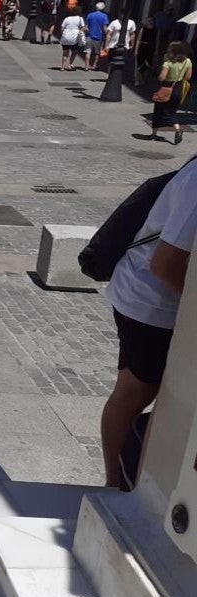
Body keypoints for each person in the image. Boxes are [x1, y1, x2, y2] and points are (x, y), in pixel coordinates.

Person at [102, 158, 197, 490]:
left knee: (162, 396)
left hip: (159, 301)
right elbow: (165, 264)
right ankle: (117, 485)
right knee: (134, 393)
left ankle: (136, 479)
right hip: (150, 302)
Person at [149, 42, 192, 145]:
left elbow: (162, 78)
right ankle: (177, 129)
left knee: (158, 111)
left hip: (166, 88)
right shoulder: (188, 61)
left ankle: (154, 133)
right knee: (171, 112)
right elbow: (188, 77)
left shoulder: (168, 63)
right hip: (178, 89)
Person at [106, 9, 138, 84]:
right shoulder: (114, 23)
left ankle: (119, 77)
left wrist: (132, 44)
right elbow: (109, 34)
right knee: (111, 62)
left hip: (125, 46)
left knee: (122, 62)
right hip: (113, 46)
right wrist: (106, 45)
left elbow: (132, 34)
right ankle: (110, 76)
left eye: (125, 14)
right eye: (122, 14)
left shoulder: (131, 23)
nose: (123, 16)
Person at [86, 3, 110, 71]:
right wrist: (107, 34)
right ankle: (94, 65)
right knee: (97, 53)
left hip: (89, 36)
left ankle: (86, 66)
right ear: (103, 8)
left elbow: (86, 26)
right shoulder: (104, 16)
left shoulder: (90, 15)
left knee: (88, 51)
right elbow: (105, 28)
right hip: (99, 37)